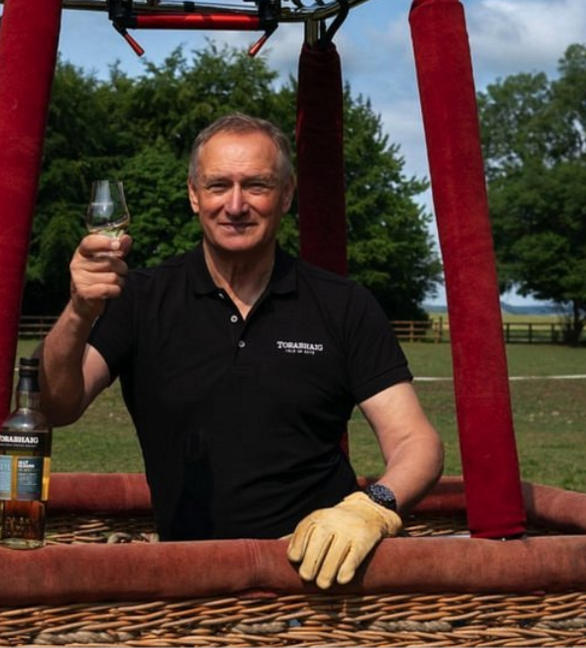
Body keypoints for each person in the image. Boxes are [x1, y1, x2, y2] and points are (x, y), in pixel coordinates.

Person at [39, 113, 443, 590]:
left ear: (286, 195)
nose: (235, 205)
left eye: (256, 185)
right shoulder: (140, 299)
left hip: (322, 582)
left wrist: (372, 506)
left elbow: (416, 443)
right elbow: (55, 405)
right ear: (194, 195)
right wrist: (79, 310)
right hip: (190, 584)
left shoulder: (342, 304)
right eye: (217, 186)